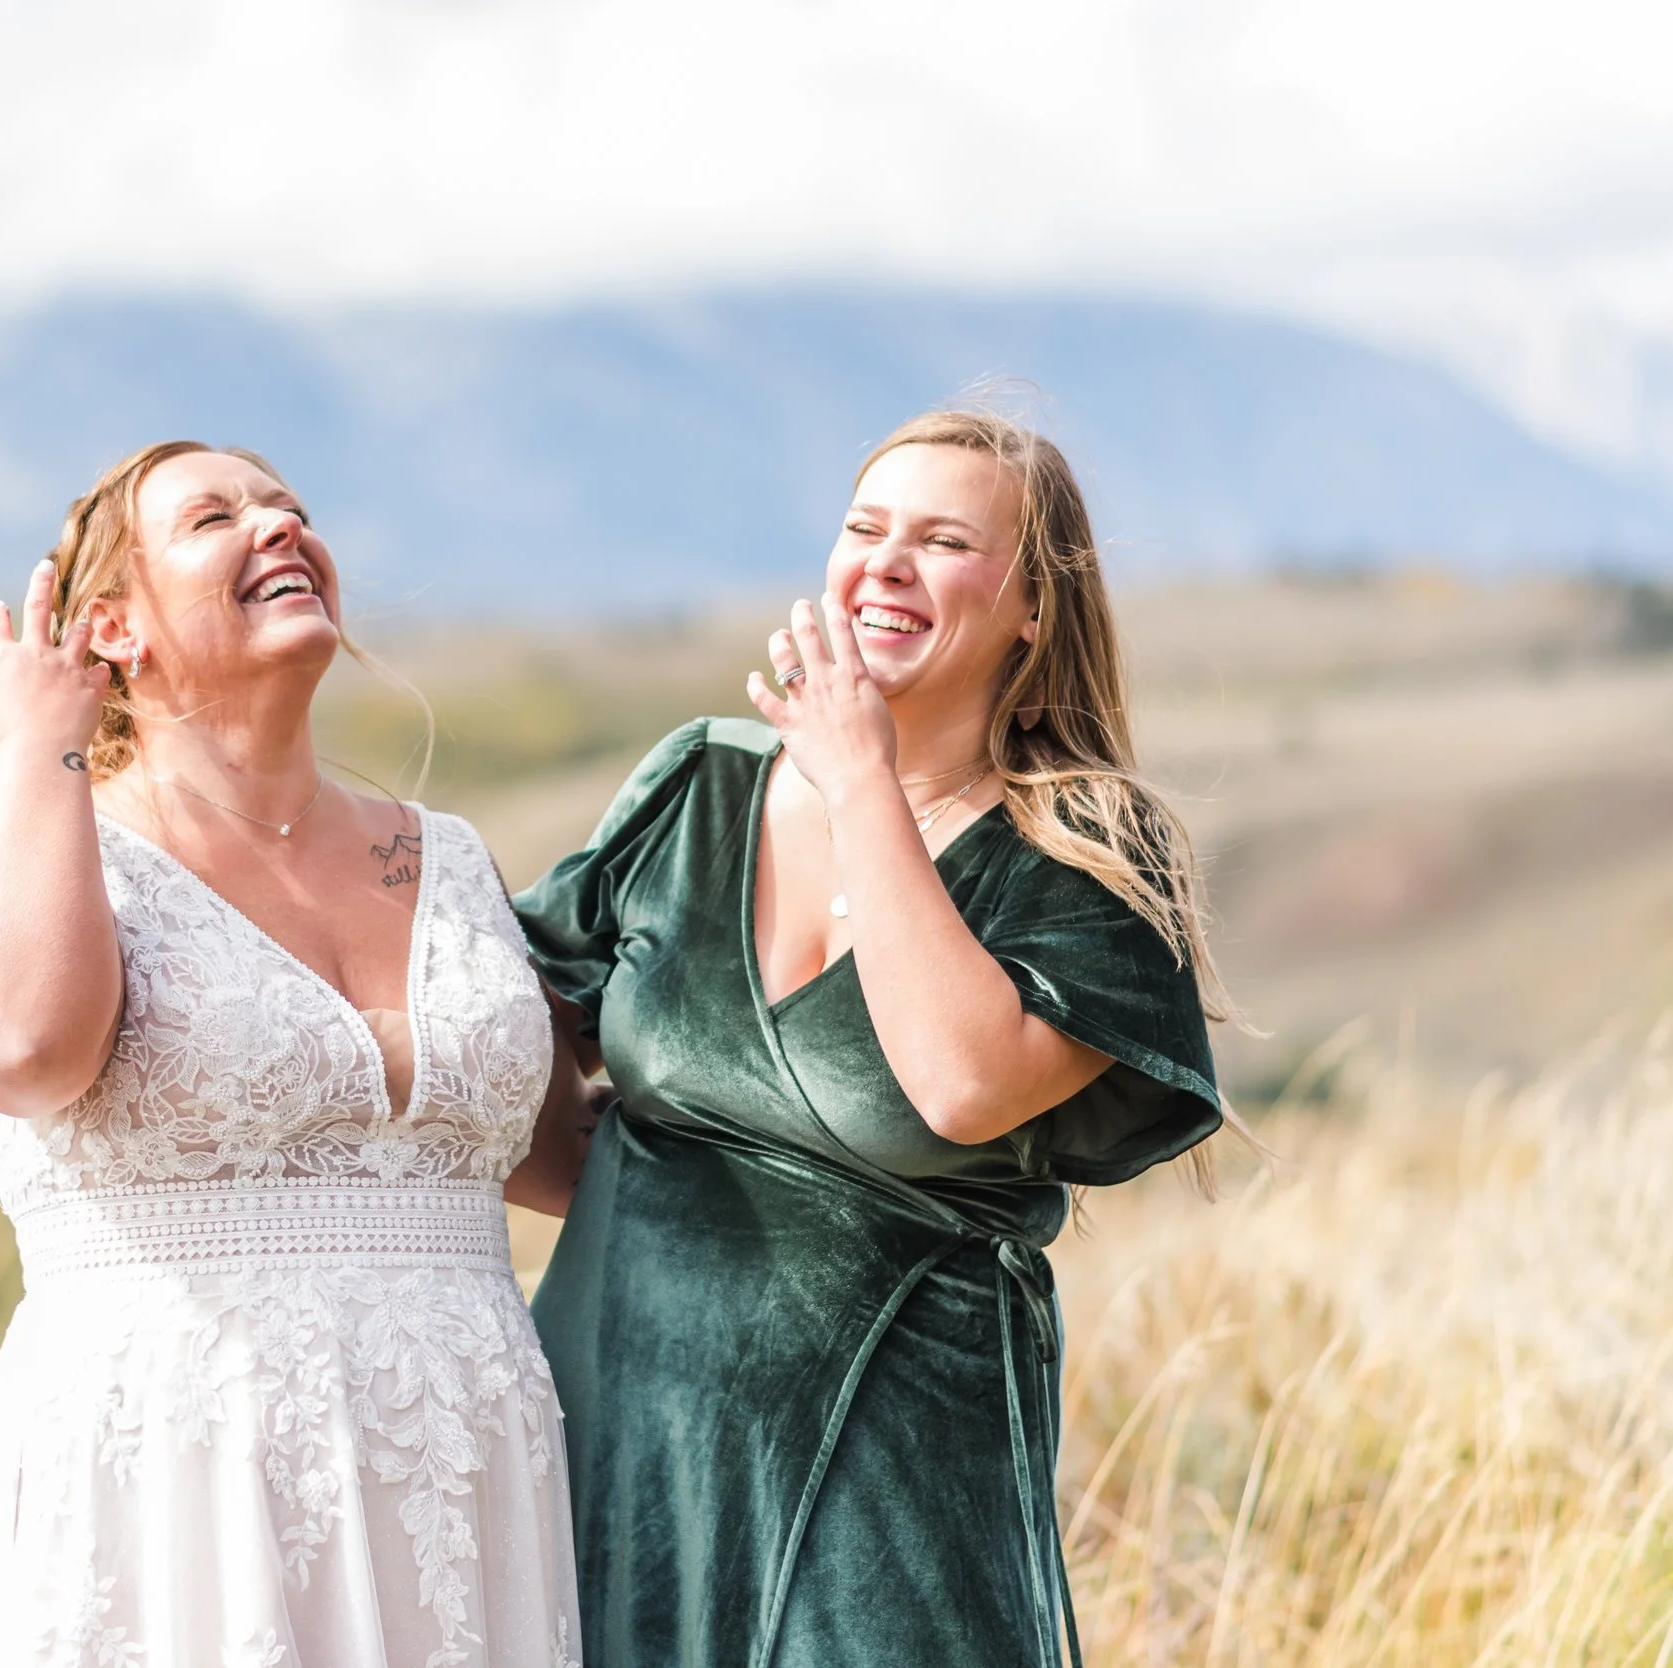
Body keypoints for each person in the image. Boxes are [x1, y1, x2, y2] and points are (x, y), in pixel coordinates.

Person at [514, 409, 1235, 1666]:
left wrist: (861, 781)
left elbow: (960, 1086)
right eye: (865, 528)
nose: (886, 564)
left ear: (1033, 610)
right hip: (620, 1441)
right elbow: (494, 1057)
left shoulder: (1087, 850)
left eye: (944, 541)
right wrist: (648, 1203)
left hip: (888, 1485)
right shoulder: (697, 785)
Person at [0, 441, 590, 1668]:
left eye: (289, 508)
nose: (278, 527)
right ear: (111, 627)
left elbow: (569, 1161)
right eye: (214, 518)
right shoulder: (64, 842)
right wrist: (37, 744)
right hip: (178, 1488)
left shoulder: (446, 859)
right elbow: (18, 1052)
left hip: (459, 1487)